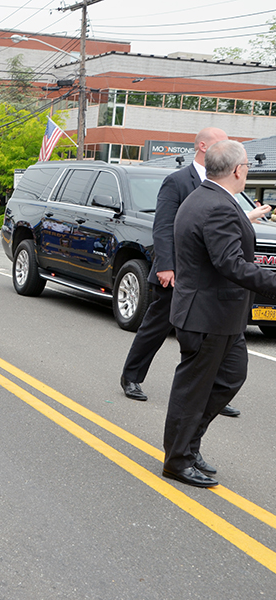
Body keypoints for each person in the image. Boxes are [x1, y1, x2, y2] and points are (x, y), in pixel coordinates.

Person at [162, 140, 276, 487]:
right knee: (192, 390)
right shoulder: (217, 206)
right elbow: (230, 263)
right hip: (207, 316)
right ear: (240, 170)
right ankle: (177, 460)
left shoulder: (206, 197)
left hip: (220, 316)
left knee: (230, 377)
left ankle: (188, 445)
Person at [118, 128, 248, 417]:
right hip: (177, 273)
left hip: (210, 277)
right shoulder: (177, 181)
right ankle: (132, 376)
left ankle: (213, 392)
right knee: (156, 327)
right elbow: (164, 225)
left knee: (213, 339)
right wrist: (166, 265)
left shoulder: (227, 184)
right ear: (203, 146)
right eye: (220, 142)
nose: (226, 146)